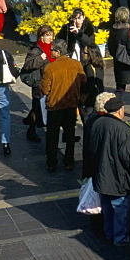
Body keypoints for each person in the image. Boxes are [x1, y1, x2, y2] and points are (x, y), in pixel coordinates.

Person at [92, 96, 130, 245]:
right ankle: (120, 239)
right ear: (120, 111)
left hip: (101, 176)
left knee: (107, 208)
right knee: (120, 209)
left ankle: (109, 233)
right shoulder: (123, 129)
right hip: (118, 179)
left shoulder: (97, 123)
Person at [40, 38, 86, 172]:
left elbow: (44, 89)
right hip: (71, 105)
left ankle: (51, 162)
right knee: (70, 135)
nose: (51, 52)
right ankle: (69, 162)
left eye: (52, 50)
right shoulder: (76, 65)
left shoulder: (50, 68)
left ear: (58, 52)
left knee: (52, 137)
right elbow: (83, 81)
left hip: (55, 107)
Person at [57, 8, 103, 111]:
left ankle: (85, 104)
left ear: (83, 18)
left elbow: (91, 43)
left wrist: (79, 34)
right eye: (75, 18)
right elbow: (59, 40)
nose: (77, 21)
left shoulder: (88, 27)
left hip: (84, 61)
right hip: (72, 60)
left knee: (85, 83)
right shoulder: (67, 28)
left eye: (79, 18)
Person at [21, 25, 53, 143]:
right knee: (37, 107)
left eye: (51, 35)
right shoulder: (36, 50)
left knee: (41, 107)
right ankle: (31, 130)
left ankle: (30, 121)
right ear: (41, 37)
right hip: (39, 84)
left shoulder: (53, 47)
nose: (50, 38)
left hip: (51, 83)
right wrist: (39, 58)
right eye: (47, 35)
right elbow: (27, 65)